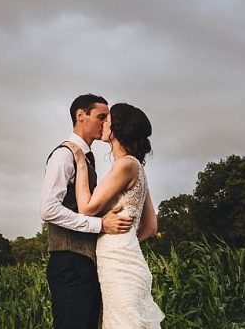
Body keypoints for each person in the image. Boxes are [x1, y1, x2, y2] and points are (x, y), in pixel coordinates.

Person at [65, 102, 164, 328]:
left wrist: (81, 164)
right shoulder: (137, 166)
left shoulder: (125, 165)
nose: (103, 123)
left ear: (117, 128)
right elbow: (151, 227)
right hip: (129, 258)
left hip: (117, 264)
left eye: (107, 120)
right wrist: (124, 240)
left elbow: (87, 208)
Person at [41, 94, 134, 329]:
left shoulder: (87, 159)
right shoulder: (64, 155)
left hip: (86, 263)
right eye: (101, 117)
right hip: (69, 263)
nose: (106, 124)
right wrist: (100, 225)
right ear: (80, 115)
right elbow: (49, 209)